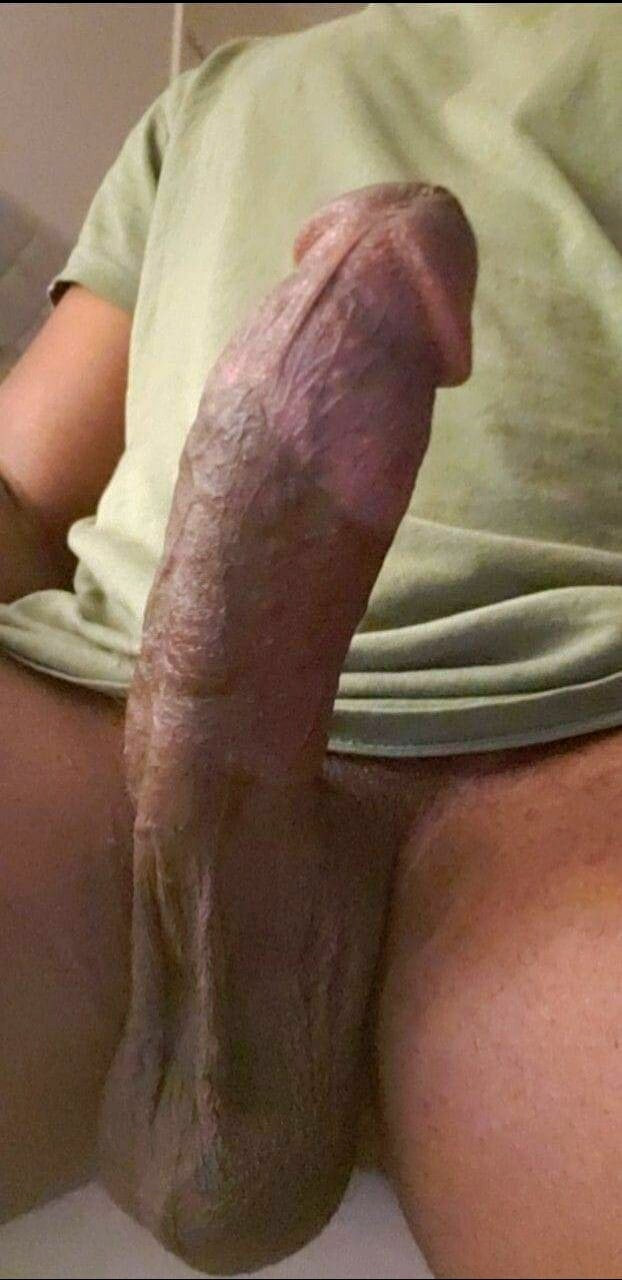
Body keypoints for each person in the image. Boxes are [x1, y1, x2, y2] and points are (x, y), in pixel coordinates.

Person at [0, 4, 620, 1275]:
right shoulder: (206, 99)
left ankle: (222, 875)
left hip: (582, 716)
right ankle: (214, 807)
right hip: (109, 699)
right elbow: (21, 487)